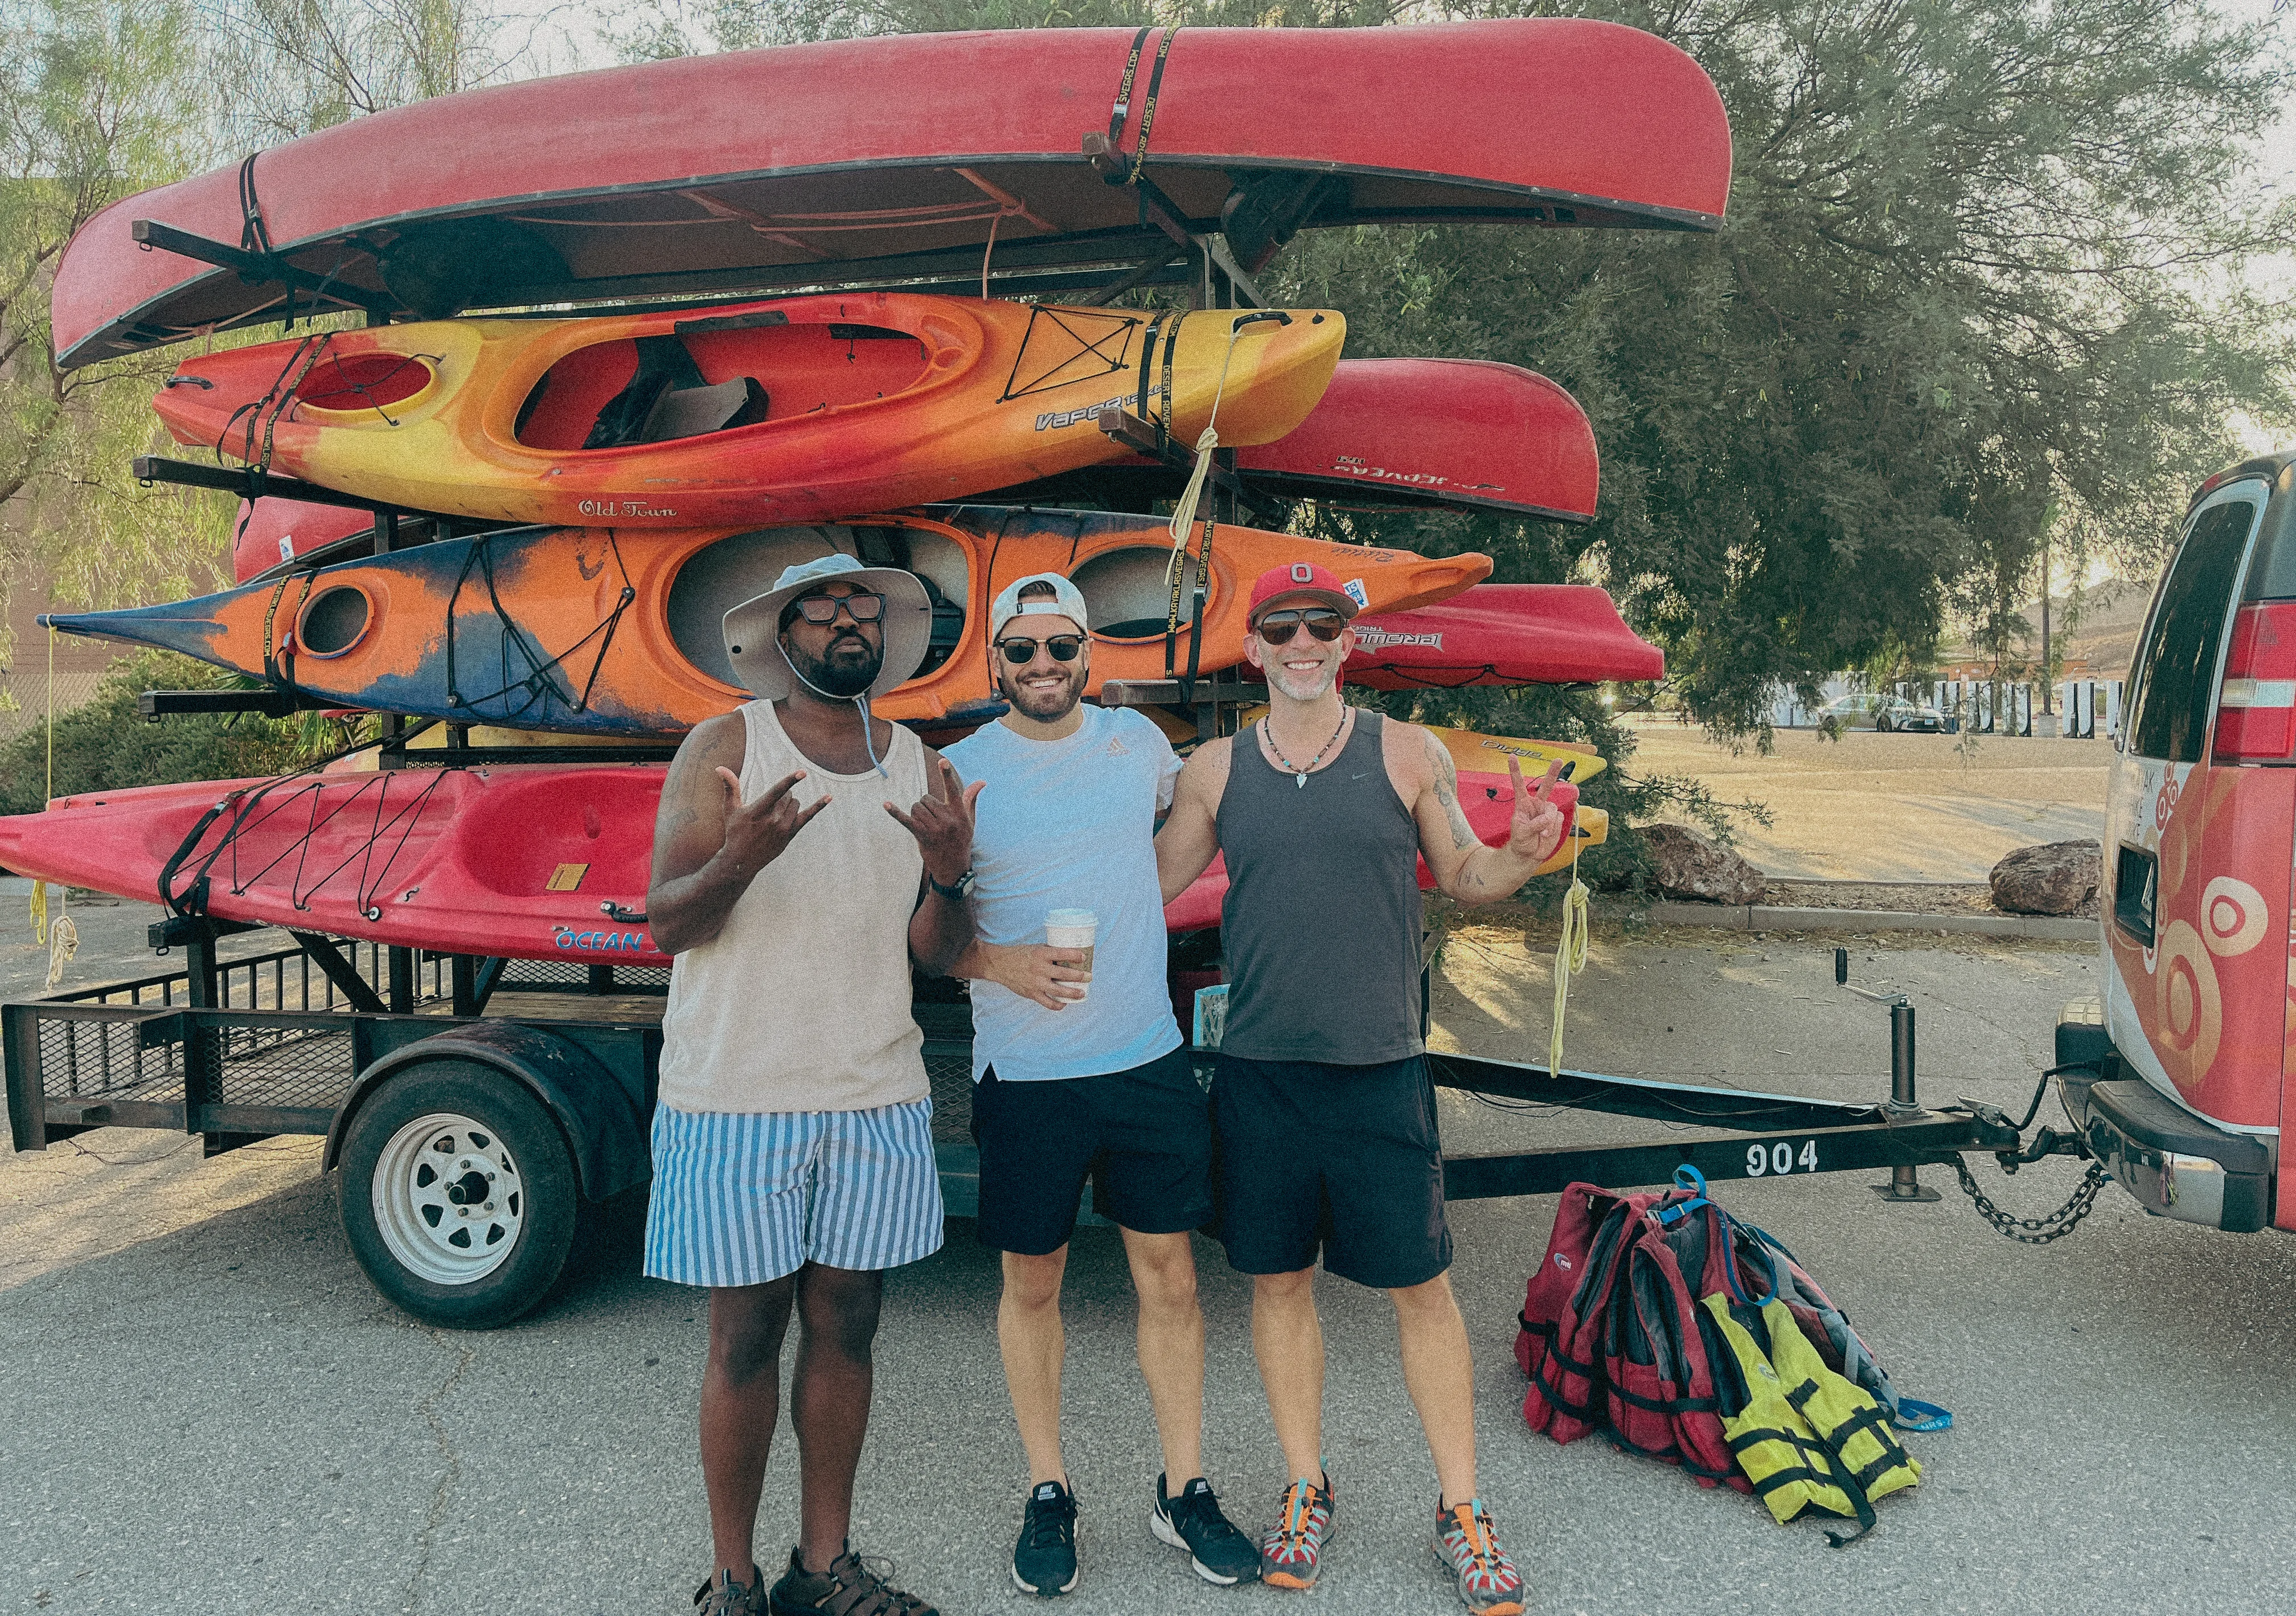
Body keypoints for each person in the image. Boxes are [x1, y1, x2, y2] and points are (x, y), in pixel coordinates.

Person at [1153, 561, 1570, 1616]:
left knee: (1420, 1291)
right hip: (1261, 1073)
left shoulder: (1405, 753)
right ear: (1254, 648)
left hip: (1381, 1069)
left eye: (1322, 626)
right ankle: (1306, 1483)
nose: (1302, 643)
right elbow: (1148, 884)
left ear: (1349, 643)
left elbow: (1468, 878)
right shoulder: (1214, 770)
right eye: (1282, 627)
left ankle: (1462, 1511)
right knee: (1279, 1284)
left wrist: (1520, 858)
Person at [643, 551, 979, 1616]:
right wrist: (741, 854)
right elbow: (669, 926)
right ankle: (732, 1582)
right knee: (743, 1335)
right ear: (779, 638)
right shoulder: (726, 745)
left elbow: (936, 954)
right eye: (821, 608)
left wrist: (950, 872)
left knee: (850, 1327)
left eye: (861, 608)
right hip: (738, 1093)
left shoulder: (917, 760)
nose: (846, 621)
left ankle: (820, 1567)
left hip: (873, 1092)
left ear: (884, 636)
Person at [940, 573, 1261, 1597]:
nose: (1044, 667)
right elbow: (925, 933)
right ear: (995, 662)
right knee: (1031, 1284)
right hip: (1027, 1072)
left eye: (1062, 649)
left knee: (1169, 1279)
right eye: (1023, 650)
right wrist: (999, 966)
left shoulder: (1140, 750)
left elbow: (1173, 848)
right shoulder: (960, 774)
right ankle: (1049, 1490)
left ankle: (1184, 1487)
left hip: (1145, 1057)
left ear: (1090, 656)